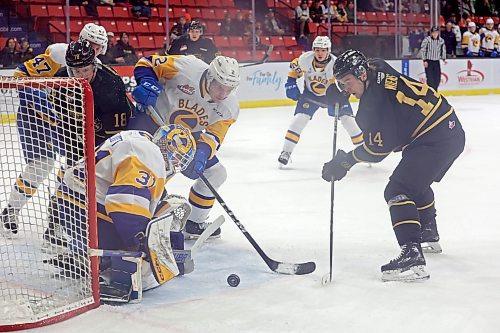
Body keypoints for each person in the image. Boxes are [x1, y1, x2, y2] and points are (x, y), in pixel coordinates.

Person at [322, 49, 465, 282]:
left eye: (347, 82)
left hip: (436, 139)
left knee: (398, 190)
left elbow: (377, 151)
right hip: (448, 129)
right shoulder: (377, 65)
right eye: (341, 84)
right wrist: (341, 90)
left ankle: (412, 254)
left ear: (361, 73)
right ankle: (428, 230)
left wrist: (345, 161)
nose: (346, 88)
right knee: (414, 180)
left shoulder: (372, 106)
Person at [46, 125, 196, 302]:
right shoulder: (148, 152)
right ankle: (113, 275)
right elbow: (126, 205)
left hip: (73, 206)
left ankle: (87, 254)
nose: (177, 163)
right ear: (165, 145)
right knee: (147, 266)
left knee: (159, 208)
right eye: (177, 156)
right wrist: (140, 242)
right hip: (85, 214)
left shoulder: (139, 137)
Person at [1, 40, 133, 239]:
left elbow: (115, 128)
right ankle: (21, 213)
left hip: (85, 131)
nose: (81, 76)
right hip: (43, 120)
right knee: (45, 166)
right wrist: (41, 105)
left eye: (86, 70)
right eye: (76, 71)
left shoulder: (110, 84)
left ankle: (60, 220)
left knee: (77, 174)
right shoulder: (59, 63)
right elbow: (20, 75)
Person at [131, 55, 240, 238]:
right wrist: (148, 81)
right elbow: (147, 63)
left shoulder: (229, 107)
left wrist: (202, 154)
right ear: (210, 77)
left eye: (229, 89)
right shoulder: (186, 67)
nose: (223, 94)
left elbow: (213, 136)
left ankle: (195, 223)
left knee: (216, 172)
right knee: (147, 177)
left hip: (183, 137)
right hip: (150, 124)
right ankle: (136, 219)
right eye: (220, 87)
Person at [278, 36, 363, 167]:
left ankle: (363, 152)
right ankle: (286, 152)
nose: (320, 53)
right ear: (313, 50)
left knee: (348, 121)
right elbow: (294, 70)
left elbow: (342, 85)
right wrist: (291, 83)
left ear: (328, 51)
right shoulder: (305, 59)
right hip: (310, 94)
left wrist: (341, 97)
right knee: (298, 120)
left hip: (332, 95)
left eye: (323, 50)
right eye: (317, 50)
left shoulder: (335, 64)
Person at [13, 23, 108, 77]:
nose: (94, 51)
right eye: (91, 46)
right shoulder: (60, 53)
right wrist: (36, 98)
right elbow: (21, 72)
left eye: (98, 48)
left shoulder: (98, 66)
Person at [420, 27, 447, 91]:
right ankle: (431, 91)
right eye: (433, 33)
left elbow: (443, 50)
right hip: (429, 61)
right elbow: (423, 50)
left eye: (436, 32)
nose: (435, 34)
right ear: (431, 33)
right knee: (430, 77)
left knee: (437, 77)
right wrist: (424, 60)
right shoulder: (427, 40)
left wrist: (444, 59)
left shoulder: (441, 40)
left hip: (436, 61)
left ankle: (435, 90)